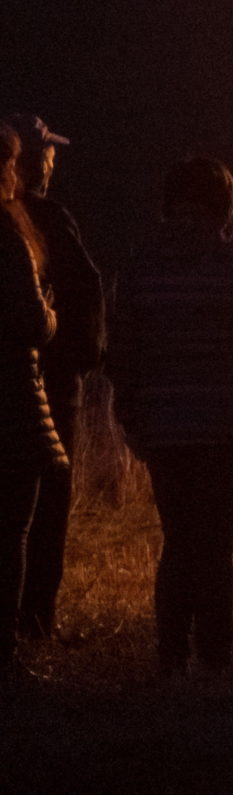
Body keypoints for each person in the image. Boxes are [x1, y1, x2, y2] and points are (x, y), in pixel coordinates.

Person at [105, 158, 233, 676]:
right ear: (224, 206)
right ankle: (214, 655)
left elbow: (120, 356)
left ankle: (171, 655)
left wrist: (133, 418)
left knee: (178, 537)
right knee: (214, 543)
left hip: (164, 431)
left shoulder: (140, 267)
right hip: (226, 429)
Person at [6, 114, 100, 648]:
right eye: (46, 151)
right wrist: (80, 358)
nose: (52, 160)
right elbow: (83, 297)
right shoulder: (41, 221)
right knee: (44, 506)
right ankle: (34, 621)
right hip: (45, 388)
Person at [1, 125, 68, 684]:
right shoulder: (7, 234)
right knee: (9, 532)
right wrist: (48, 310)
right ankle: (5, 654)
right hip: (9, 404)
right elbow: (29, 321)